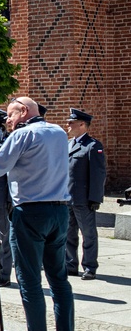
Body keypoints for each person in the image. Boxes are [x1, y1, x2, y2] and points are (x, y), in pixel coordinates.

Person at [0, 96, 75, 331]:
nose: (7, 120)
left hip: (30, 212)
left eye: (11, 114)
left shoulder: (22, 135)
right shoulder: (59, 132)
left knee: (29, 280)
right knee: (59, 279)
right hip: (60, 210)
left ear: (24, 111)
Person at [66, 108, 106, 281]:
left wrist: (95, 198)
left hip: (83, 199)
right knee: (68, 234)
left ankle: (89, 267)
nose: (68, 125)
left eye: (71, 122)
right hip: (67, 198)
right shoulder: (68, 144)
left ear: (82, 124)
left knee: (88, 234)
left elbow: (98, 174)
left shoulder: (92, 146)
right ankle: (70, 265)